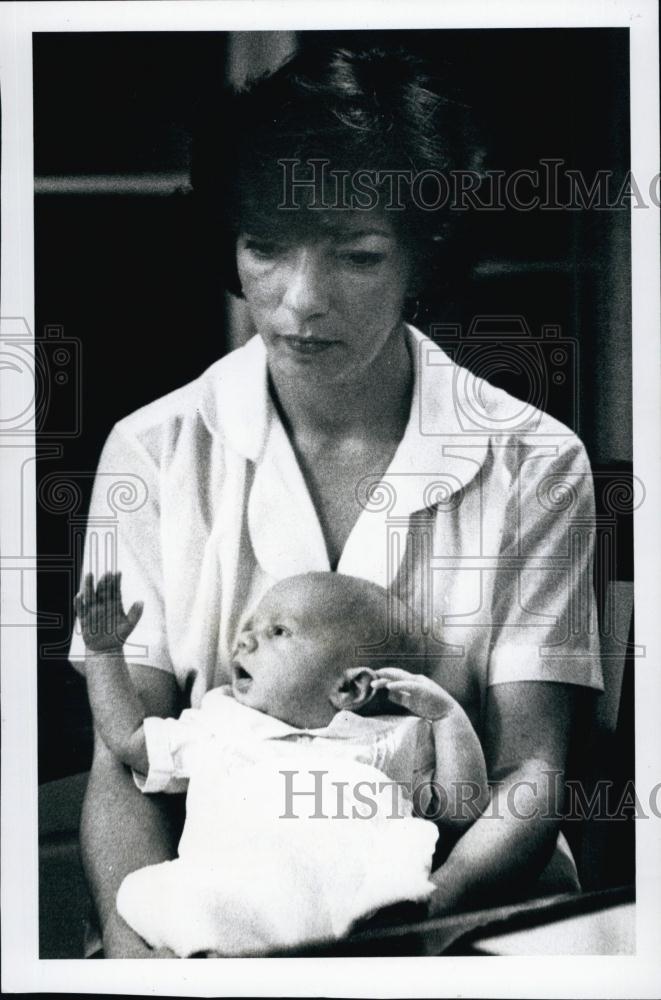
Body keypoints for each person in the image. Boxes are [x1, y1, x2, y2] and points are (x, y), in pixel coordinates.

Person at [69, 45, 603, 958]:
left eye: (356, 255)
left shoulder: (535, 462)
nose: (299, 302)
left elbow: (532, 770)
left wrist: (410, 917)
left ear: (423, 259)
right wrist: (140, 953)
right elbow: (123, 770)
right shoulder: (152, 451)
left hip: (471, 910)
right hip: (218, 928)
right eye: (265, 247)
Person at [76, 570, 488, 956]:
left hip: (354, 907)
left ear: (350, 686)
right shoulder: (221, 725)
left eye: (278, 632)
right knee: (152, 897)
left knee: (395, 882)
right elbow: (130, 738)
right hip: (230, 893)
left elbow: (454, 812)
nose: (244, 641)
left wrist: (450, 721)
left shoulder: (388, 739)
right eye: (250, 627)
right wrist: (104, 656)